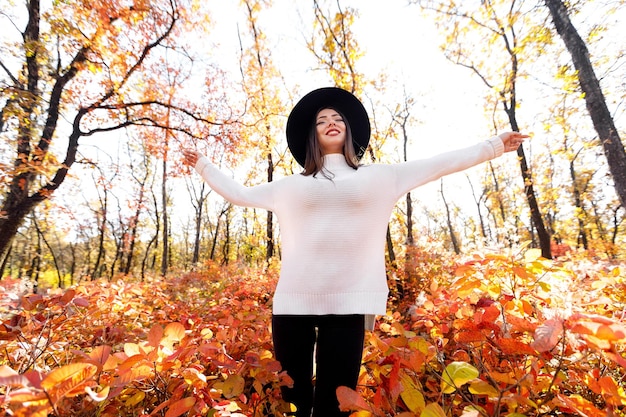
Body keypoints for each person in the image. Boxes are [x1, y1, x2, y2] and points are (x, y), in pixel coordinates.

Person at [182, 87, 527, 416]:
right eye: (321, 120)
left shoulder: (381, 177)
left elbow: (439, 163)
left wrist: (494, 145)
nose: (330, 122)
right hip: (293, 304)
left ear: (348, 129)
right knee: (294, 399)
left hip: (348, 304)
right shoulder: (290, 186)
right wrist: (203, 165)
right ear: (312, 135)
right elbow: (239, 193)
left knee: (335, 402)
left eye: (337, 118)